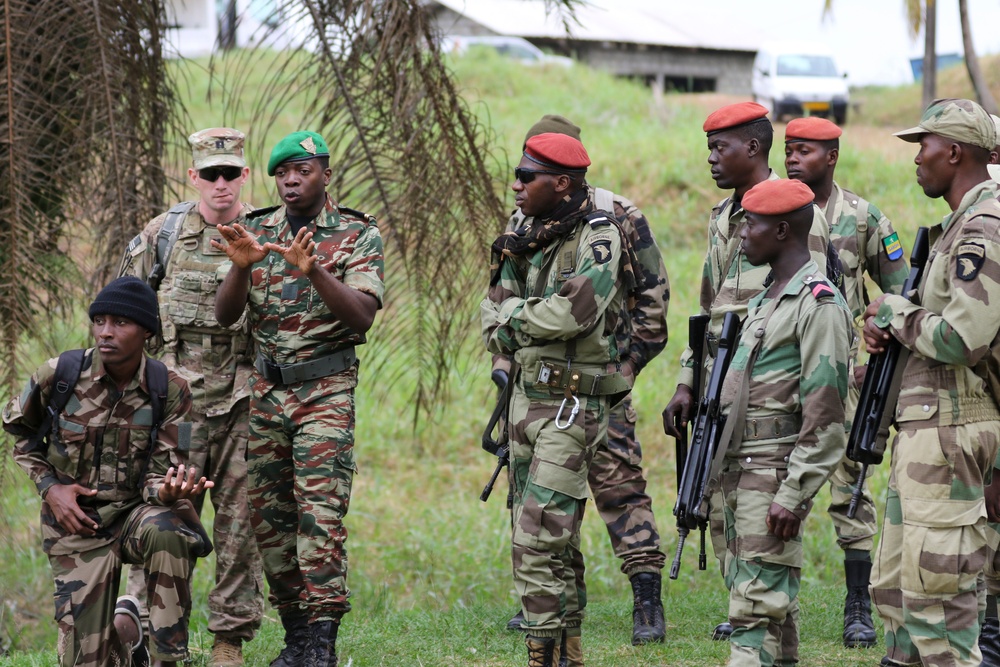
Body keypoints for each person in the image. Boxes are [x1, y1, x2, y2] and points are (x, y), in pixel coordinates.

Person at [661, 101, 835, 642]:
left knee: (759, 521)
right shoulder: (721, 219)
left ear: (754, 148)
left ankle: (756, 613)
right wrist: (689, 379)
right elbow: (709, 312)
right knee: (721, 514)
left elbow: (808, 309)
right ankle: (750, 602)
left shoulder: (798, 213)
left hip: (770, 393)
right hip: (720, 391)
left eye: (721, 148)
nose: (711, 158)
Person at [493, 114, 670, 644]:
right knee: (541, 500)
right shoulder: (525, 220)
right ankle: (554, 610)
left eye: (530, 171)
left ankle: (646, 599)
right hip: (538, 386)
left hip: (602, 382)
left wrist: (625, 367)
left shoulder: (615, 218)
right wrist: (508, 363)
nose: (520, 183)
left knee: (621, 487)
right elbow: (499, 303)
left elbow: (653, 300)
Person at [212, 130, 385, 667]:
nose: (291, 180)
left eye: (303, 170)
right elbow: (225, 316)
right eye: (283, 173)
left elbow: (361, 316)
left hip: (325, 391)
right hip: (267, 393)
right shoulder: (257, 229)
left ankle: (323, 642)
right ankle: (297, 636)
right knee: (271, 518)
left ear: (325, 174)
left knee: (320, 515)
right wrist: (241, 266)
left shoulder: (356, 233)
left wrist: (316, 272)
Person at [481, 132, 634, 667]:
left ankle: (541, 655)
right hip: (525, 400)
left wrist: (515, 320)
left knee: (537, 537)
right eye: (518, 175)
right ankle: (568, 653)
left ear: (562, 183)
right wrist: (519, 320)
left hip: (572, 406)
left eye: (528, 177)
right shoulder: (521, 232)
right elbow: (489, 313)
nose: (517, 186)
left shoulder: (599, 236)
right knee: (556, 539)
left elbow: (574, 314)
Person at [3, 276, 211, 667]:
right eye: (99, 321)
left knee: (169, 531)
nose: (106, 332)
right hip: (77, 523)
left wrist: (166, 493)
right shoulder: (60, 374)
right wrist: (51, 488)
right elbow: (20, 434)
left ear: (146, 330)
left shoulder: (169, 388)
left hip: (136, 514)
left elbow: (164, 468)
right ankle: (129, 642)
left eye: (120, 322)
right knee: (87, 660)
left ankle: (167, 659)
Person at [119, 127, 264, 666]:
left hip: (244, 400)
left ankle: (229, 639)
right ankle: (154, 634)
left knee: (239, 524)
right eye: (211, 174)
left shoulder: (264, 231)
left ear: (245, 175)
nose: (221, 184)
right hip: (175, 407)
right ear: (194, 176)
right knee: (169, 516)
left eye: (231, 173)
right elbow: (126, 310)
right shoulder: (164, 233)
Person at [864, 98, 1000, 667]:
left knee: (938, 609)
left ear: (954, 151)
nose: (917, 159)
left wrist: (895, 314)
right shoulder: (957, 227)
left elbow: (964, 338)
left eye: (923, 146)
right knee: (898, 597)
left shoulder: (983, 228)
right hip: (928, 426)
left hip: (952, 427)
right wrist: (890, 330)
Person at [783, 115, 910, 648]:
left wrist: (872, 350)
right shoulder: (771, 209)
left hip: (841, 372)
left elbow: (900, 288)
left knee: (850, 487)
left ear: (831, 156)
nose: (793, 158)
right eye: (788, 149)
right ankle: (762, 600)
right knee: (766, 479)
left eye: (805, 150)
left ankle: (858, 602)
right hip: (778, 368)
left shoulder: (861, 217)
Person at [715, 178, 852, 666]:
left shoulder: (819, 305)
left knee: (751, 615)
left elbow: (827, 414)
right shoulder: (767, 299)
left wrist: (794, 493)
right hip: (742, 470)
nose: (742, 235)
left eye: (751, 225)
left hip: (773, 474)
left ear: (782, 231)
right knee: (772, 614)